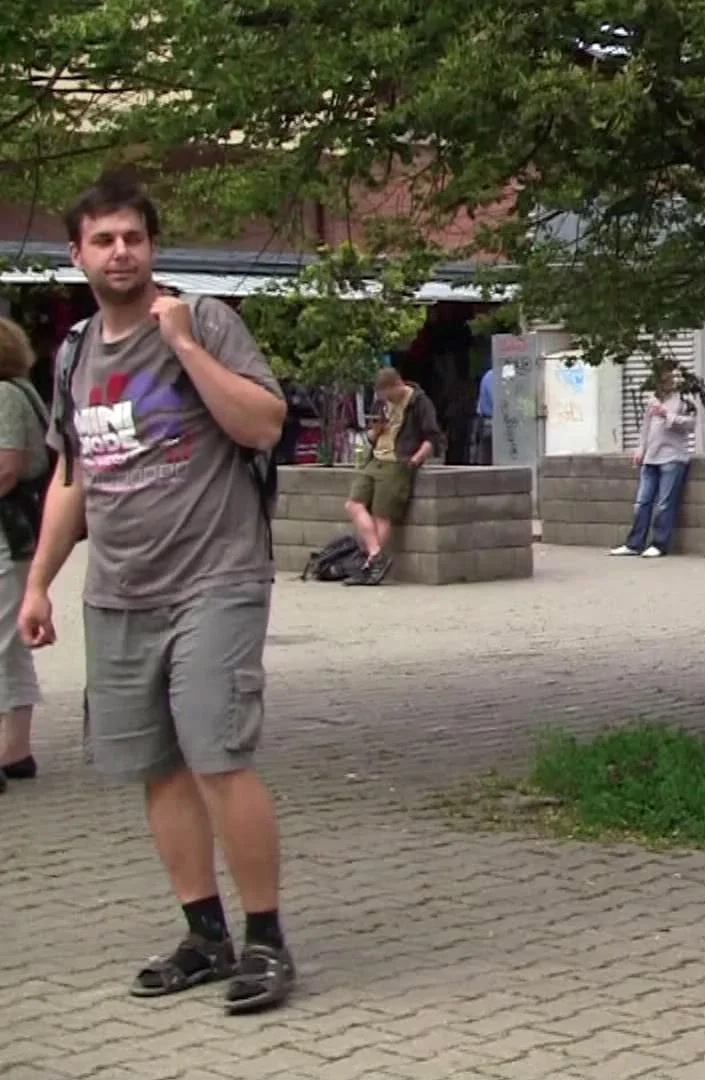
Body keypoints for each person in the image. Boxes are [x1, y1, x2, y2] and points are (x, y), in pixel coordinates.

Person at [22, 177, 298, 1012]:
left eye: (133, 238)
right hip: (119, 592)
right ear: (76, 254)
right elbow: (73, 477)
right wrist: (38, 583)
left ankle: (266, 942)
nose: (121, 253)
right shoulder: (74, 353)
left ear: (152, 247)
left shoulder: (203, 321)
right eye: (104, 240)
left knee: (219, 756)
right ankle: (204, 935)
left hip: (215, 577)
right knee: (157, 768)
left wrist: (182, 347)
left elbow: (263, 424)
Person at [0, 317, 49, 793]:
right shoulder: (21, 390)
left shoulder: (4, 395)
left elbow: (6, 468)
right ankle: (14, 750)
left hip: (6, 533)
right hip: (17, 534)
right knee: (10, 642)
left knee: (3, 642)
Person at [344, 366, 443, 586]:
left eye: (387, 394)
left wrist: (415, 459)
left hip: (398, 461)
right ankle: (375, 554)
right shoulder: (381, 404)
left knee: (382, 514)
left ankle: (371, 564)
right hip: (375, 458)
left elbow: (432, 437)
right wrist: (375, 431)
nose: (385, 399)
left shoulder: (419, 402)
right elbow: (371, 436)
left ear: (397, 385)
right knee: (353, 503)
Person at [610, 365, 698, 558]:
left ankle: (659, 543)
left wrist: (667, 415)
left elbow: (690, 424)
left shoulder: (684, 400)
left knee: (664, 504)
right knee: (642, 502)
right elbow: (646, 426)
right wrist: (641, 448)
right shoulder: (654, 399)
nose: (665, 383)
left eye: (668, 379)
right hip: (651, 457)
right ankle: (634, 543)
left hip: (673, 456)